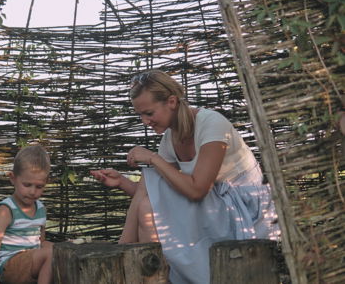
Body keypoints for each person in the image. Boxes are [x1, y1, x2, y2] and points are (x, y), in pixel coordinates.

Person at [90, 69, 279, 284]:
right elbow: (156, 193)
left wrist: (153, 158)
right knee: (148, 196)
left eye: (149, 113)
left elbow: (198, 190)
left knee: (152, 179)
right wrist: (122, 182)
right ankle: (143, 268)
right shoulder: (171, 137)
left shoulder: (211, 124)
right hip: (213, 205)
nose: (145, 122)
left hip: (243, 209)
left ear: (171, 101)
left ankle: (124, 252)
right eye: (140, 115)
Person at [0, 145, 53, 284]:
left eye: (39, 186)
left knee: (55, 250)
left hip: (30, 264)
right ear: (13, 178)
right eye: (27, 185)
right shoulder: (6, 210)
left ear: (46, 183)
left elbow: (40, 243)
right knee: (50, 253)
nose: (33, 191)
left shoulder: (41, 209)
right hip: (9, 266)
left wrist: (61, 247)